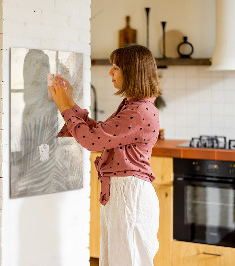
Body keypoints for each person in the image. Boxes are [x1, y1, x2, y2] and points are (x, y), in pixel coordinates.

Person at [48, 44, 161, 266]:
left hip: (129, 195)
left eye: (116, 67)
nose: (110, 72)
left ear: (132, 71)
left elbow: (92, 141)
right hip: (123, 193)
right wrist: (70, 103)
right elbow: (100, 133)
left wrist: (64, 108)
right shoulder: (134, 106)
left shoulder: (138, 111)